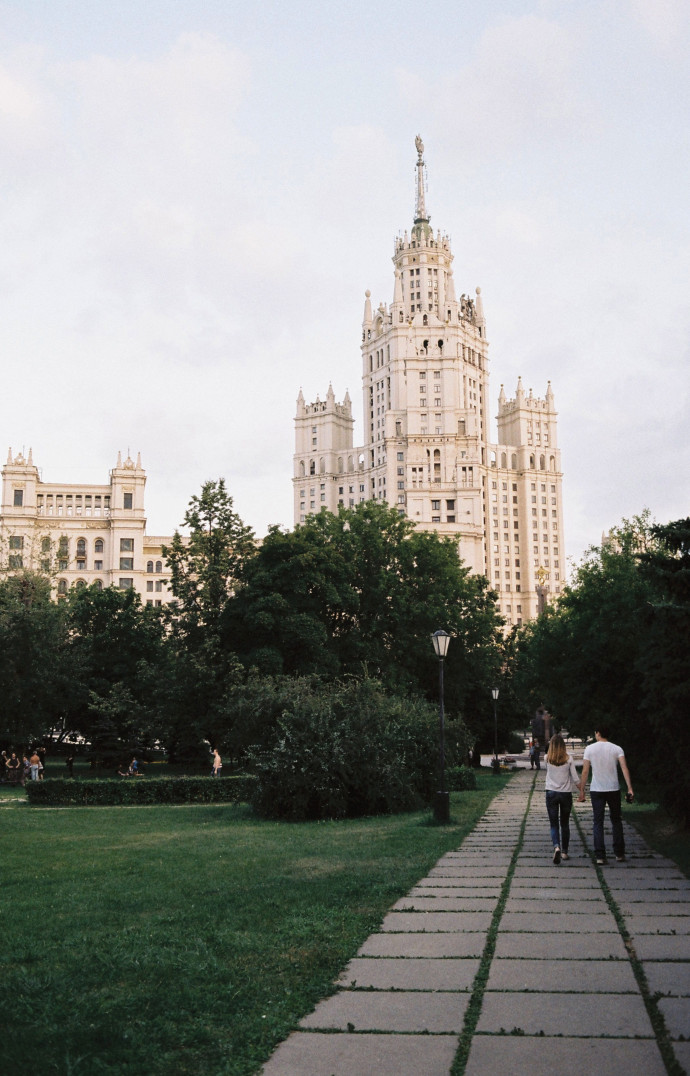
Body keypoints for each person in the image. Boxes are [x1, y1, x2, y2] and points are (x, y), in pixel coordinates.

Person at [578, 725, 633, 865]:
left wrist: (582, 790)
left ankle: (600, 856)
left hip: (597, 789)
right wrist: (630, 788)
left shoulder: (590, 749)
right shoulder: (617, 748)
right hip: (613, 789)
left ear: (598, 733)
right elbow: (624, 768)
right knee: (616, 820)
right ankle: (619, 854)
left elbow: (585, 771)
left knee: (598, 822)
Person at [545, 734, 579, 864]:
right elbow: (575, 778)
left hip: (551, 793)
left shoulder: (547, 758)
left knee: (553, 824)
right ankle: (564, 852)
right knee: (564, 823)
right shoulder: (569, 758)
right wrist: (581, 791)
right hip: (565, 794)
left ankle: (556, 847)